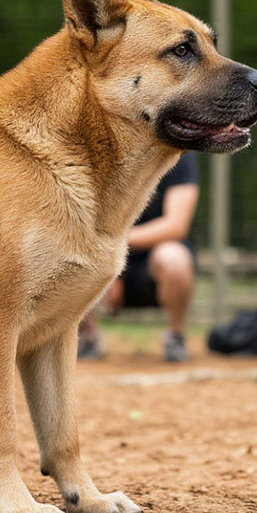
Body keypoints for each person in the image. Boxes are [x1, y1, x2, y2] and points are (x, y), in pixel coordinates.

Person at [77, 152, 200, 363]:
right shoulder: (99, 149)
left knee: (174, 258)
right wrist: (109, 267)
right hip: (102, 252)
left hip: (149, 262)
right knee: (75, 250)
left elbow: (176, 226)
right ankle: (88, 337)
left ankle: (175, 336)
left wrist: (115, 245)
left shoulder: (179, 152)